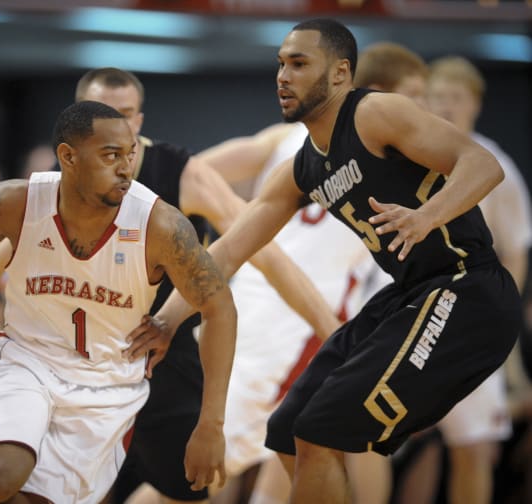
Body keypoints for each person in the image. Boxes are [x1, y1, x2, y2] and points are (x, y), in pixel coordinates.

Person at [124, 19, 522, 504]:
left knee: (328, 429)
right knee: (289, 427)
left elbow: (484, 164)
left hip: (466, 288)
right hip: (410, 293)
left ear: (339, 74)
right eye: (280, 64)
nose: (282, 76)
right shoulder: (302, 167)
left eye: (298, 63)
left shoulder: (375, 112)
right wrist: (165, 321)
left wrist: (426, 216)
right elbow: (226, 252)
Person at [0, 68, 339, 504]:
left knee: (195, 485)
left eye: (127, 115)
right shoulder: (53, 190)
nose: (118, 123)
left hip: (158, 357)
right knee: (24, 483)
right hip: (62, 360)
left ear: (140, 120)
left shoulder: (179, 177)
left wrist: (333, 331)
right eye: (106, 114)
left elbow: (261, 249)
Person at [0, 100, 238, 504]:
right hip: (27, 363)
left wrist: (211, 423)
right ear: (68, 157)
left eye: (130, 155)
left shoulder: (160, 225)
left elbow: (219, 307)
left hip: (106, 385)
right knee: (0, 476)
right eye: (110, 155)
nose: (125, 168)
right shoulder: (16, 202)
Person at [196, 40, 430, 504]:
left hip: (259, 306)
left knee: (299, 447)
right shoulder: (396, 153)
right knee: (191, 479)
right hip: (288, 325)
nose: (422, 109)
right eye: (415, 96)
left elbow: (192, 171)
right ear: (380, 92)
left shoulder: (290, 135)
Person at [390, 54, 532, 504]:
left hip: (471, 320)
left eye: (455, 97)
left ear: (475, 104)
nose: (445, 106)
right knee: (382, 442)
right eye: (436, 97)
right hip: (413, 316)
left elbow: (515, 251)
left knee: (472, 445)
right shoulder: (406, 160)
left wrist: (498, 316)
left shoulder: (498, 168)